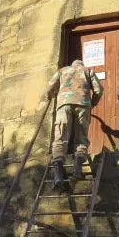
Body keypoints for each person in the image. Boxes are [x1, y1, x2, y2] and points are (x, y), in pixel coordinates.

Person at [45, 59, 104, 191]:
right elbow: (99, 90)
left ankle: (59, 175)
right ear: (81, 65)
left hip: (64, 104)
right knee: (81, 138)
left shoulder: (62, 71)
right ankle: (77, 170)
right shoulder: (88, 71)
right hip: (83, 104)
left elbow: (49, 88)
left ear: (72, 65)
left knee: (60, 138)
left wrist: (50, 96)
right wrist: (92, 103)